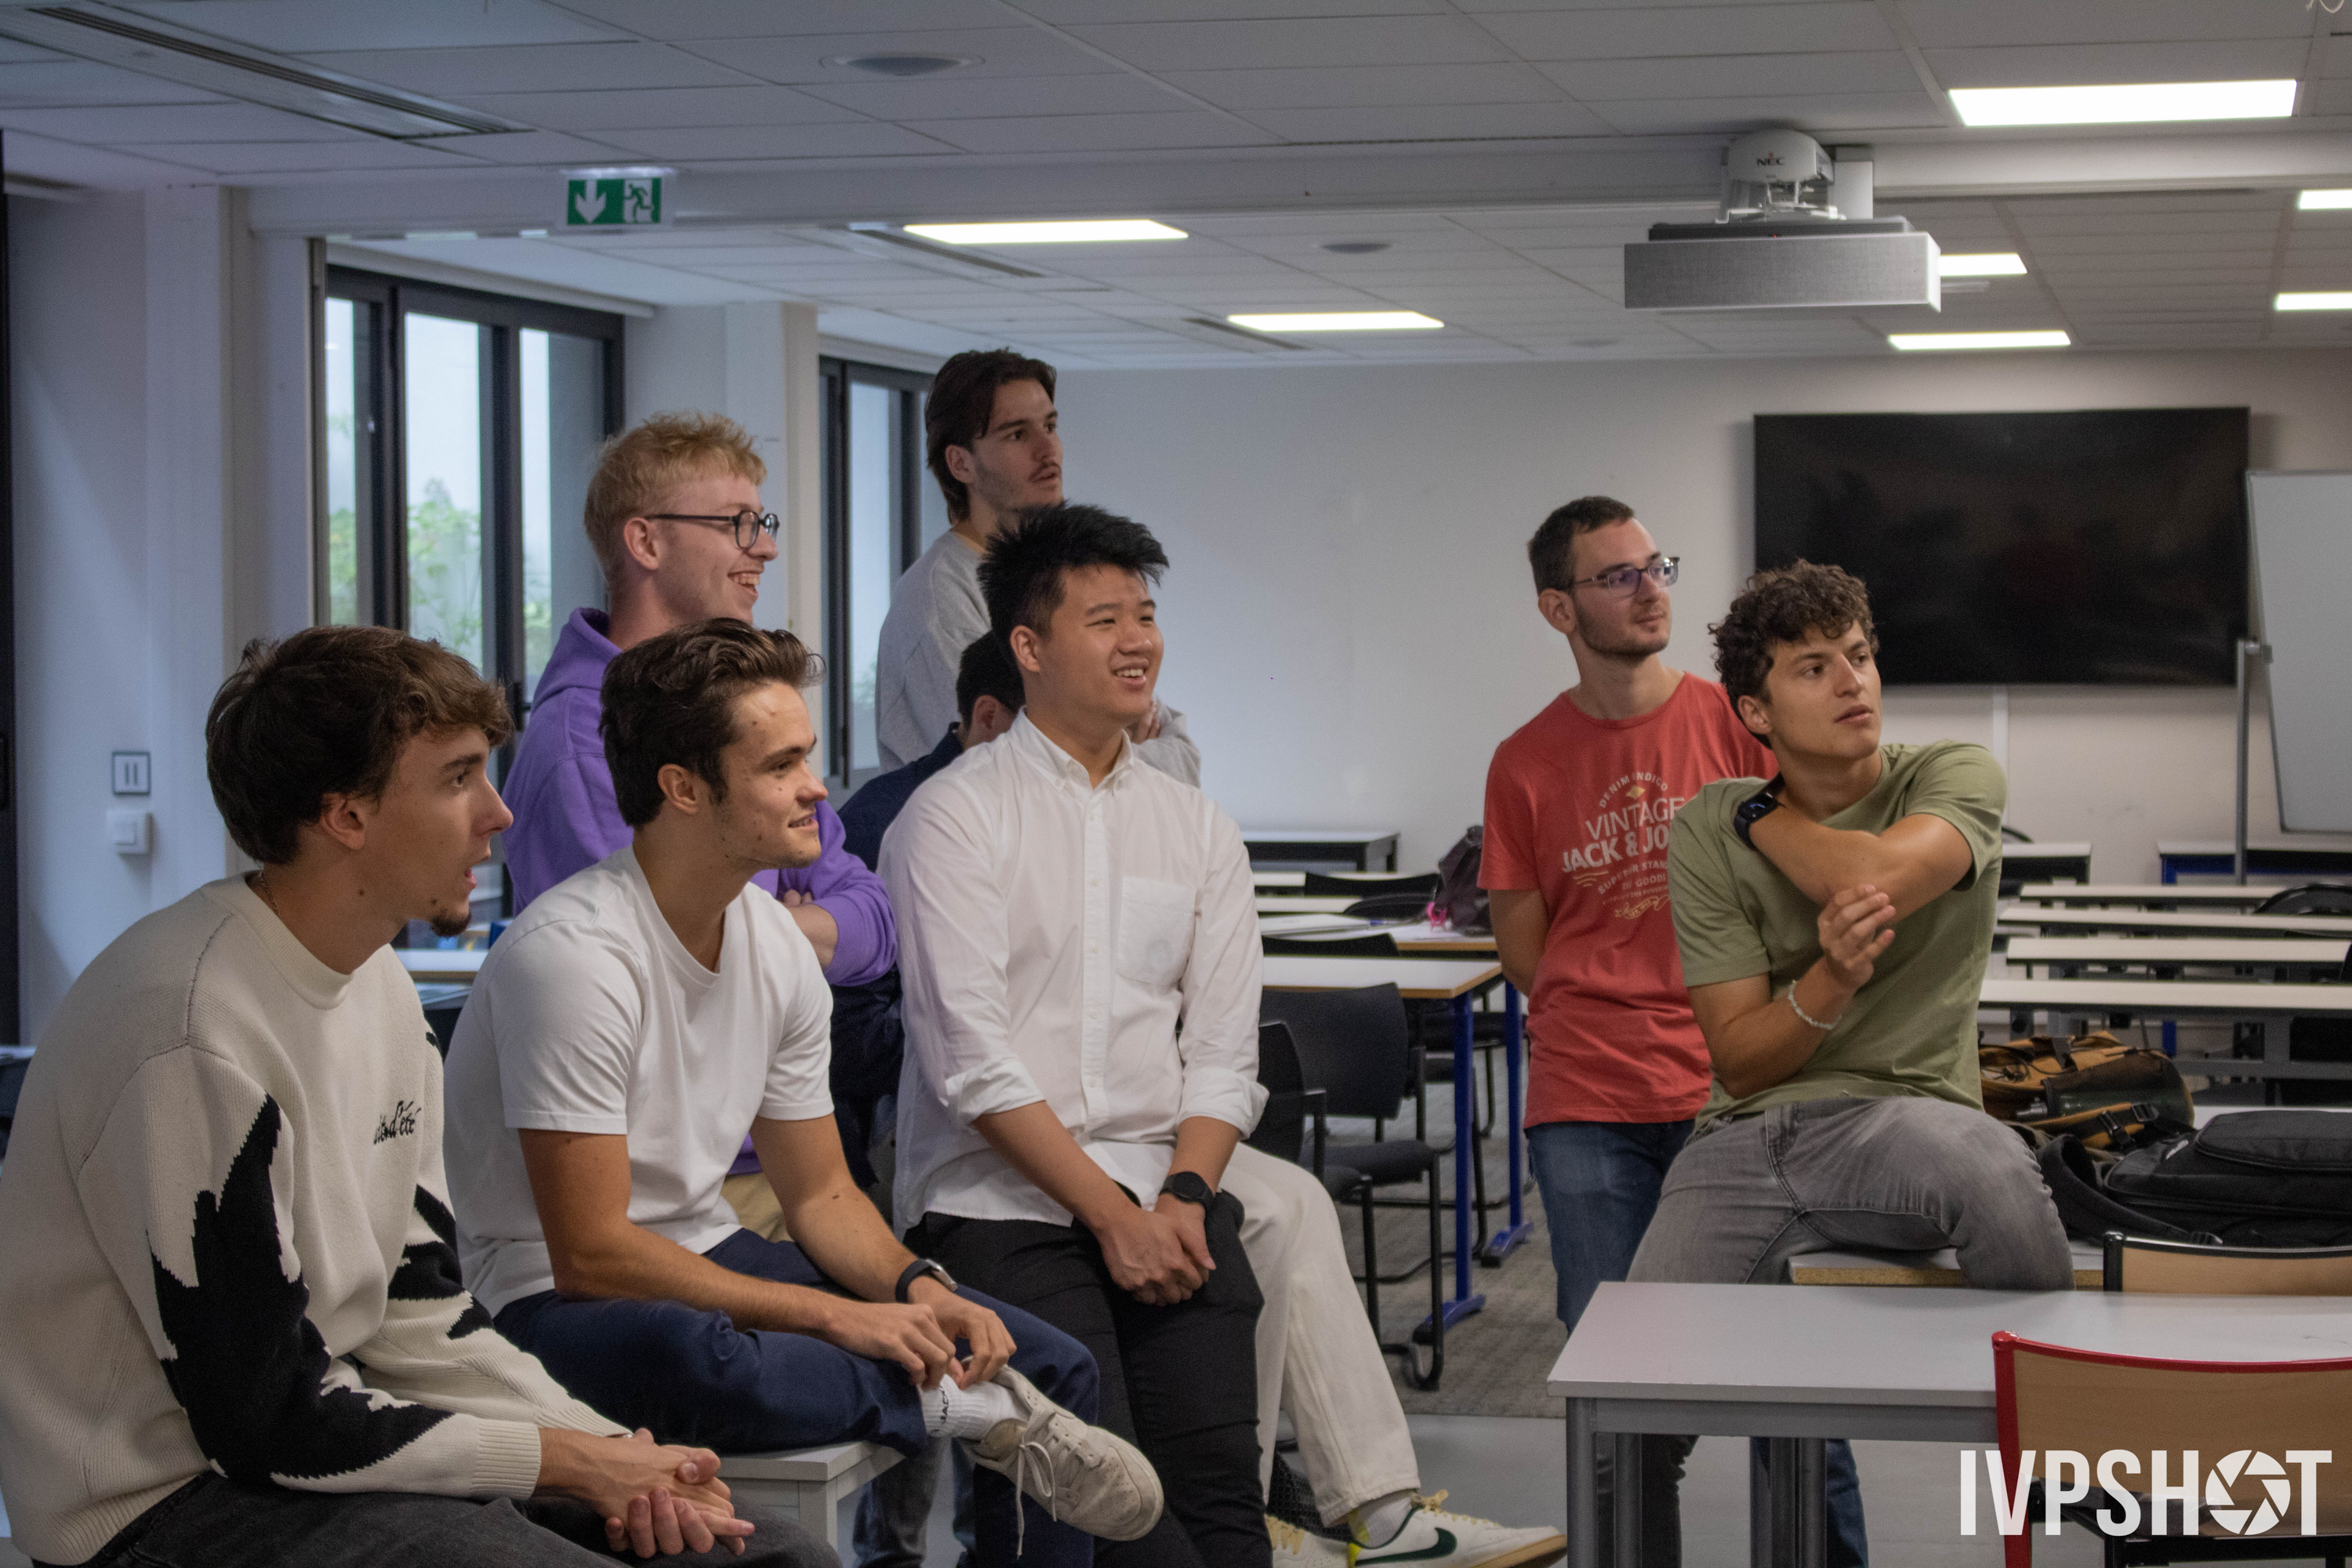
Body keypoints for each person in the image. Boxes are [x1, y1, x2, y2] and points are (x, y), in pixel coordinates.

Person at [0, 626, 817, 1568]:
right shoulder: (187, 1026)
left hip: (324, 1441)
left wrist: (617, 1455)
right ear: (347, 815)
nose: (499, 812)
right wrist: (568, 1462)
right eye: (459, 777)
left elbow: (422, 1312)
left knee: (772, 1555)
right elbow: (263, 1420)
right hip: (163, 1503)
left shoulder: (381, 985)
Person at [887, 506, 1567, 1568]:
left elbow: (1221, 1058)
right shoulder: (952, 816)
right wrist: (1114, 1218)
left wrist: (1182, 1199)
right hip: (1000, 1206)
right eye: (1104, 619)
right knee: (1119, 1522)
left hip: (1166, 1201)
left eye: (1146, 616)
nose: (1137, 641)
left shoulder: (1196, 826)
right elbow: (974, 1068)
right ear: (1029, 647)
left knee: (1225, 1516)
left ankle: (1367, 1517)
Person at [444, 619, 1160, 1568]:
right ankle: (965, 1406)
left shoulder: (776, 942)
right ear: (684, 787)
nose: (817, 787)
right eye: (781, 765)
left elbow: (820, 1192)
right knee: (704, 1361)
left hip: (705, 1248)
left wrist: (916, 1287)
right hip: (545, 1298)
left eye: (807, 756)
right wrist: (839, 1314)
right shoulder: (573, 956)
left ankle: (984, 1397)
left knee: (1051, 1360)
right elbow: (591, 1251)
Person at [1632, 561, 2076, 1565]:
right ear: (1756, 711)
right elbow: (1743, 1059)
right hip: (1744, 1139)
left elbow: (1875, 877)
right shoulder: (1704, 827)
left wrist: (1760, 811)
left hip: (1901, 1117)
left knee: (1998, 1173)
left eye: (1862, 656)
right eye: (1815, 667)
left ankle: (2057, 1426)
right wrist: (1830, 979)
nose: (1853, 682)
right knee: (1628, 1410)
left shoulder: (1954, 774)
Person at [499, 411, 895, 1237]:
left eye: (762, 521)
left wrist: (766, 927)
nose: (766, 548)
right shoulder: (580, 743)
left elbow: (876, 925)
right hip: (666, 1184)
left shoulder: (736, 705)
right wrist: (788, 922)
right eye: (736, 524)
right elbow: (668, 963)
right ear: (644, 541)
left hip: (779, 1150)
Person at [1483, 496, 1774, 1337]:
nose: (1652, 591)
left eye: (1657, 568)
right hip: (1586, 1090)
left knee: (1759, 1335)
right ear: (1559, 609)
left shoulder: (1735, 726)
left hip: (1728, 1074)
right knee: (1611, 1341)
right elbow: (1525, 954)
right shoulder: (1523, 763)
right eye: (1619, 577)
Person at [873, 348, 1199, 783]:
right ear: (961, 463)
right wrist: (1124, 743)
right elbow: (1017, 767)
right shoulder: (937, 601)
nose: (1048, 451)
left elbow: (1182, 758)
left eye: (1050, 426)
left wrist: (1109, 745)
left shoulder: (1056, 573)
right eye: (1017, 435)